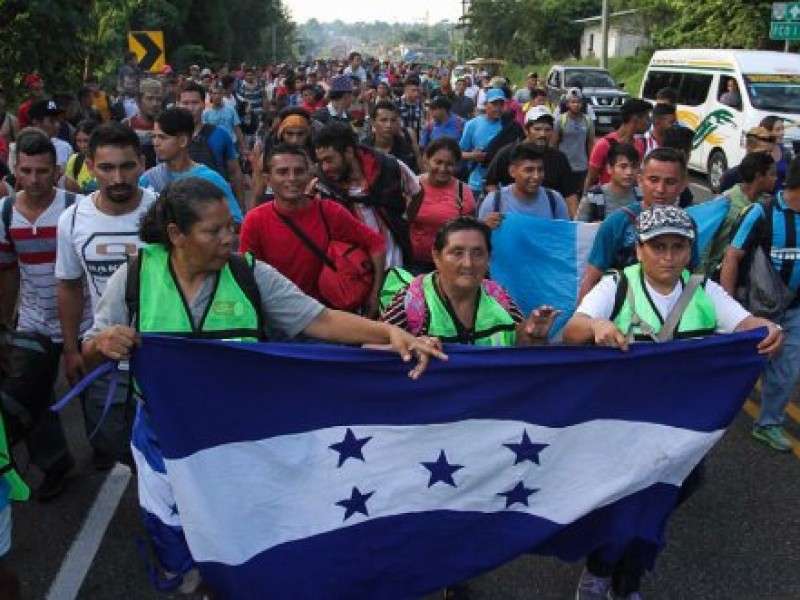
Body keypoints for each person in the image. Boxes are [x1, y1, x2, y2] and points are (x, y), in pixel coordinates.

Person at [82, 177, 445, 595]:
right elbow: (90, 348)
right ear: (176, 236)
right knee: (178, 542)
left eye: (230, 227)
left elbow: (321, 320)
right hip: (166, 442)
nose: (227, 239)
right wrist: (103, 345)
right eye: (212, 231)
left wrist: (390, 334)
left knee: (243, 539)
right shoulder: (132, 279)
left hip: (240, 441)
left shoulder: (250, 274)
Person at [564, 203, 782, 600]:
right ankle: (598, 571)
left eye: (677, 247)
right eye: (658, 246)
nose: (667, 256)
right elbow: (572, 331)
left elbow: (746, 324)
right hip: (621, 423)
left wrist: (766, 325)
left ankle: (627, 580)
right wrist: (596, 324)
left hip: (678, 428)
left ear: (689, 251)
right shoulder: (617, 286)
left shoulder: (703, 290)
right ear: (640, 249)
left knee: (658, 503)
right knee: (618, 502)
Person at [56, 122, 157, 468]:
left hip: (159, 354)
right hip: (103, 355)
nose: (118, 178)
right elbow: (69, 285)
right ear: (89, 166)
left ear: (142, 163)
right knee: (115, 445)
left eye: (127, 166)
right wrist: (72, 350)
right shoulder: (71, 220)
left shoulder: (163, 214)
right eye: (107, 167)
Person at [0, 129, 83, 501]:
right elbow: (7, 270)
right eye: (27, 171)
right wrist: (7, 321)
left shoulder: (75, 206)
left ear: (56, 170)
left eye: (42, 171)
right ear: (15, 170)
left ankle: (103, 445)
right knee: (33, 397)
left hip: (85, 319)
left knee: (92, 390)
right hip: (33, 319)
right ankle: (55, 466)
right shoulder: (4, 214)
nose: (34, 180)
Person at [240, 144, 387, 316]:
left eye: (299, 171)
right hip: (278, 319)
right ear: (267, 180)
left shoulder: (330, 212)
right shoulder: (255, 221)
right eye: (282, 172)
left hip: (329, 318)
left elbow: (376, 244)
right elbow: (246, 274)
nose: (292, 178)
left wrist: (374, 295)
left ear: (310, 175)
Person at [720, 156, 800, 452]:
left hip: (794, 310)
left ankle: (769, 423)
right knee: (741, 365)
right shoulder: (761, 213)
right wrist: (730, 309)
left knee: (787, 369)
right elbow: (732, 256)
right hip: (754, 309)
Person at [578, 148, 689, 301]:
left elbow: (692, 278)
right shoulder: (616, 223)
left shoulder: (687, 227)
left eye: (670, 182)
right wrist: (582, 321)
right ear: (640, 180)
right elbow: (590, 280)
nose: (660, 189)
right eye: (653, 180)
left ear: (683, 185)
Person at [314, 121, 422, 268]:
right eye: (321, 162)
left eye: (329, 160)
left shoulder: (388, 167)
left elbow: (417, 192)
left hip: (395, 266)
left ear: (349, 152)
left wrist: (405, 221)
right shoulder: (323, 186)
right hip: (356, 271)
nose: (325, 168)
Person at [139, 107, 243, 225]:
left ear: (183, 141)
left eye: (162, 137)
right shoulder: (149, 179)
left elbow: (236, 222)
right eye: (154, 137)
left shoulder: (210, 180)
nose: (156, 143)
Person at [484, 107, 577, 213]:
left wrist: (574, 221)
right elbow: (490, 182)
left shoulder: (559, 158)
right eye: (537, 129)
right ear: (526, 130)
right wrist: (503, 206)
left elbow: (570, 193)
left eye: (547, 130)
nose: (542, 134)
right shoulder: (507, 153)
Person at [701, 152, 776, 277]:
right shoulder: (725, 201)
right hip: (717, 275)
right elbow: (706, 241)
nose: (776, 179)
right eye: (772, 174)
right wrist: (702, 277)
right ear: (759, 176)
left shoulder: (768, 205)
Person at [178, 82, 246, 212]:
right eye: (185, 103)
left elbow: (235, 173)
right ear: (178, 105)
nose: (190, 108)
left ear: (204, 104)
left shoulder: (220, 135)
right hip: (182, 208)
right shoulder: (170, 137)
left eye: (195, 103)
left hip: (216, 206)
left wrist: (240, 208)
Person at [411, 138, 476, 272]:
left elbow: (469, 230)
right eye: (438, 162)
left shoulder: (463, 192)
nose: (443, 169)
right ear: (427, 159)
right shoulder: (412, 186)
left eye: (449, 164)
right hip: (413, 263)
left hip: (450, 265)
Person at [479, 143, 569, 228]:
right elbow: (480, 239)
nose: (536, 176)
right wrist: (486, 227)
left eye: (540, 170)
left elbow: (564, 237)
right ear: (512, 171)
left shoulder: (554, 200)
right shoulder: (494, 201)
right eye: (529, 170)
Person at [249, 107, 315, 207]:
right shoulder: (267, 158)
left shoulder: (317, 158)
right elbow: (257, 196)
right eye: (290, 134)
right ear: (282, 134)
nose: (295, 140)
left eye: (300, 134)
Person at [585, 99, 650, 192]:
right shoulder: (604, 144)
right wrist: (585, 202)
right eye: (646, 118)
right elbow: (591, 179)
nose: (649, 122)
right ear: (635, 119)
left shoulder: (640, 144)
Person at [576, 142, 641, 222]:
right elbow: (577, 229)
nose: (629, 172)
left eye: (634, 167)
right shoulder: (593, 197)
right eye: (623, 166)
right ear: (609, 168)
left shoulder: (642, 196)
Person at [460, 88, 506, 200]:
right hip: (477, 184)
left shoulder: (508, 125)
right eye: (494, 103)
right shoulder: (472, 125)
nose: (498, 108)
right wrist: (472, 156)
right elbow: (459, 153)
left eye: (501, 104)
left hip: (503, 186)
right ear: (486, 104)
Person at [552, 88, 595, 200]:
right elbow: (553, 144)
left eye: (578, 102)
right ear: (567, 104)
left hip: (582, 166)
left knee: (582, 196)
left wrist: (592, 164)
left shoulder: (587, 121)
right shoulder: (560, 120)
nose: (576, 105)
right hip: (564, 166)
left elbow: (590, 143)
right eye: (573, 102)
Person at [363, 100, 421, 174]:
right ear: (373, 123)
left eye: (393, 120)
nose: (389, 125)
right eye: (383, 120)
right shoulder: (364, 149)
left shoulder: (406, 151)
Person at [718, 126, 776, 194]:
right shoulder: (731, 176)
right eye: (763, 153)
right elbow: (719, 201)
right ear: (748, 148)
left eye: (769, 153)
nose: (768, 157)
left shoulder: (768, 177)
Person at [121, 78, 163, 170]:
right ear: (138, 100)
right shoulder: (127, 125)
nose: (155, 103)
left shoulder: (166, 125)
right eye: (149, 98)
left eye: (158, 99)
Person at [27, 100, 73, 178]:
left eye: (58, 120)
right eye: (52, 121)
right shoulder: (19, 148)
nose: (57, 125)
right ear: (36, 123)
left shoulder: (65, 147)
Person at [64, 120, 98, 194]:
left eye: (86, 141)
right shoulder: (74, 160)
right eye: (79, 141)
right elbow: (71, 192)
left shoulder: (107, 160)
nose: (82, 146)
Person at [760, 115, 793, 193]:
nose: (782, 133)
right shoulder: (758, 153)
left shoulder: (786, 152)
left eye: (783, 129)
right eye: (778, 130)